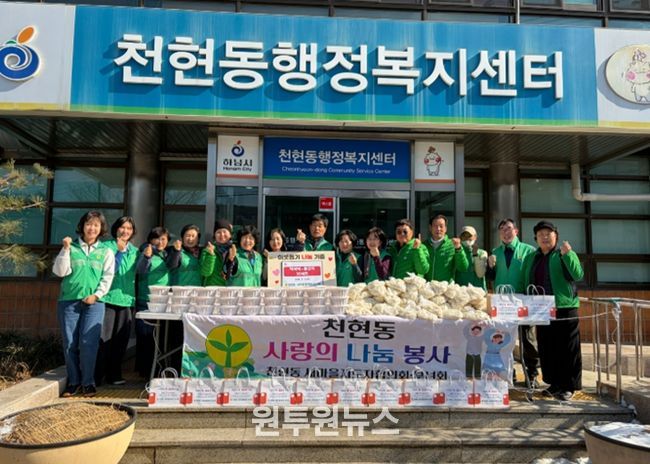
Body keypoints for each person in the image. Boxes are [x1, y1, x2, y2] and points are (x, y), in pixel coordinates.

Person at [53, 210, 115, 398]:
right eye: (89, 224)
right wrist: (65, 250)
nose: (92, 228)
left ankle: (88, 382)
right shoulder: (71, 247)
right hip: (69, 302)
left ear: (101, 228)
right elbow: (60, 272)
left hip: (94, 303)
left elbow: (108, 277)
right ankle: (73, 382)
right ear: (82, 226)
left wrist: (96, 295)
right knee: (70, 343)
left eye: (96, 225)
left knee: (89, 343)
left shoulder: (106, 251)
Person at [520, 220, 584, 401]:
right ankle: (554, 383)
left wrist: (568, 255)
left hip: (564, 307)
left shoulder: (563, 253)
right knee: (547, 347)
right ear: (536, 238)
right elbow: (525, 280)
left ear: (556, 236)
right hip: (541, 308)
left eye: (548, 234)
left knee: (567, 348)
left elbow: (578, 274)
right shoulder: (532, 257)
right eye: (540, 235)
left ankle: (569, 386)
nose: (544, 237)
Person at [486, 218, 538, 386]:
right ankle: (509, 372)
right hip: (502, 302)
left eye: (508, 228)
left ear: (516, 231)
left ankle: (532, 374)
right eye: (502, 229)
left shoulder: (529, 250)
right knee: (503, 339)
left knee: (527, 339)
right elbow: (490, 277)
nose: (505, 232)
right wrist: (490, 266)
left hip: (523, 300)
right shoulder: (495, 252)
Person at [95, 216, 138, 387]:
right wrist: (119, 252)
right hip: (107, 298)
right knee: (103, 339)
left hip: (127, 300)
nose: (125, 231)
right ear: (116, 229)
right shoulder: (106, 247)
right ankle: (97, 375)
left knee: (120, 341)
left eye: (129, 228)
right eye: (122, 227)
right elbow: (111, 270)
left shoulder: (134, 251)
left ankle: (114, 375)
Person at [134, 227, 181, 377]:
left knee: (159, 339)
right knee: (146, 339)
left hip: (164, 302)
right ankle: (146, 372)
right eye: (156, 238)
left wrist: (177, 251)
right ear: (150, 239)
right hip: (146, 301)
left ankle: (157, 369)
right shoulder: (145, 251)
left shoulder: (166, 254)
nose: (160, 242)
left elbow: (173, 265)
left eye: (163, 239)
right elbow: (140, 270)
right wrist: (146, 257)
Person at [423, 214, 469, 283]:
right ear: (430, 228)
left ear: (445, 228)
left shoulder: (453, 245)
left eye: (441, 226)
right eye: (435, 226)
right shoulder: (424, 245)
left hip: (446, 287)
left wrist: (458, 249)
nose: (438, 229)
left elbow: (463, 267)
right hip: (428, 287)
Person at [201, 219, 237, 287]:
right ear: (214, 235)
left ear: (230, 234)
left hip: (230, 289)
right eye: (218, 232)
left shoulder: (235, 250)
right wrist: (211, 255)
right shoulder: (207, 250)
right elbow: (205, 273)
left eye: (224, 231)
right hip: (212, 288)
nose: (222, 235)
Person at [455, 225, 488, 290]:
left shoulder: (482, 253)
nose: (467, 238)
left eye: (469, 236)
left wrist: (475, 255)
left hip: (479, 291)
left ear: (475, 237)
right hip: (462, 291)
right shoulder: (457, 252)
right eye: (464, 236)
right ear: (460, 238)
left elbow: (480, 274)